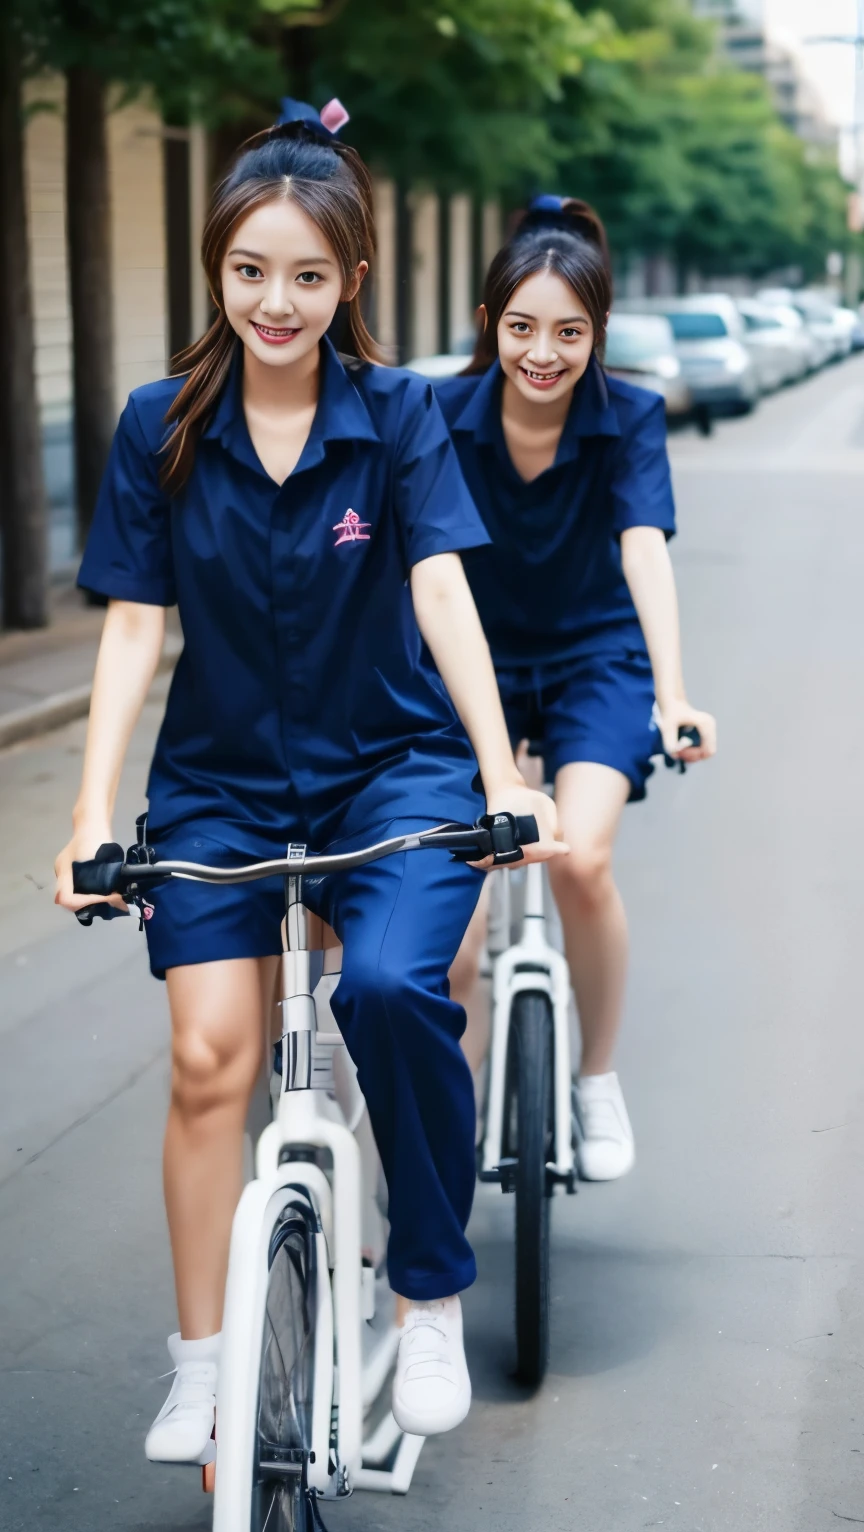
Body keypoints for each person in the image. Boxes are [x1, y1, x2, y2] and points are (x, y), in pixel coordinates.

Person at [53, 103, 561, 1461]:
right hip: (220, 785)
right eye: (250, 270)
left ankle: (430, 1290)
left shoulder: (396, 418)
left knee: (394, 992)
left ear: (351, 281)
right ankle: (204, 1364)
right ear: (217, 268)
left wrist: (505, 770)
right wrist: (93, 813)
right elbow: (134, 623)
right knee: (210, 1056)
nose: (277, 302)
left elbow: (442, 585)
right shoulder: (160, 423)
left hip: (392, 775)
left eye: (309, 275)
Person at [438, 196, 717, 1182]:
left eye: (568, 331)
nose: (542, 353)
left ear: (597, 334)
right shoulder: (440, 417)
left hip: (596, 659)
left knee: (581, 860)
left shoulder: (629, 416)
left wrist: (673, 693)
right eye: (522, 328)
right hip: (474, 668)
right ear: (490, 324)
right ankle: (443, 1122)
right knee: (454, 914)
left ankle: (595, 1074)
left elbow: (644, 550)